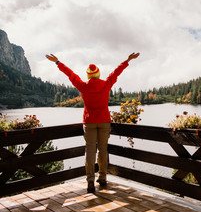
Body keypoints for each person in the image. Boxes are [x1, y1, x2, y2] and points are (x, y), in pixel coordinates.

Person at [46, 52, 140, 193]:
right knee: (103, 149)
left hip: (89, 122)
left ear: (89, 75)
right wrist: (127, 60)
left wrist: (57, 62)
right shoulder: (105, 85)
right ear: (98, 74)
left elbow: (71, 75)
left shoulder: (83, 86)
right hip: (104, 121)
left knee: (90, 149)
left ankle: (90, 179)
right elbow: (116, 73)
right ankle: (102, 177)